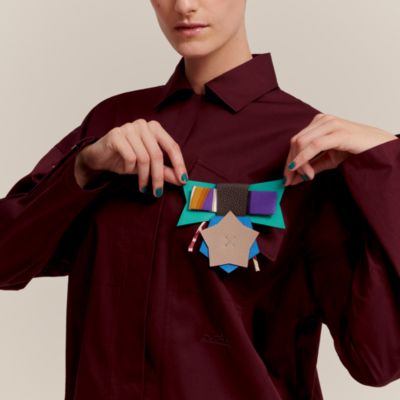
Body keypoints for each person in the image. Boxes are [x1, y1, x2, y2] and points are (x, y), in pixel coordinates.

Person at [1, 1, 399, 399]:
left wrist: (390, 167)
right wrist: (84, 167)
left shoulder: (310, 147)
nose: (185, 5)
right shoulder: (111, 123)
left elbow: (379, 359)